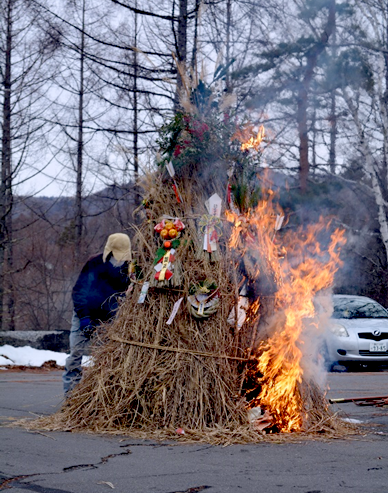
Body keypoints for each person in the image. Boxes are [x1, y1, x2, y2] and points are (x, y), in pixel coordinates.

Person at [63, 233, 132, 395]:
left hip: (108, 319)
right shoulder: (94, 263)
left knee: (104, 358)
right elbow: (79, 292)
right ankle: (70, 396)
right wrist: (85, 318)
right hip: (84, 315)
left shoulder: (128, 268)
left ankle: (97, 395)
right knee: (75, 354)